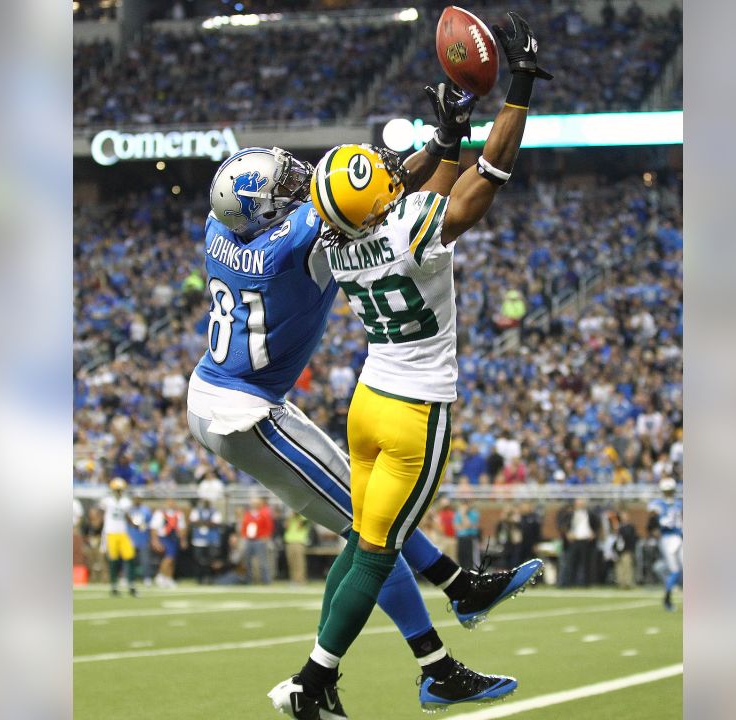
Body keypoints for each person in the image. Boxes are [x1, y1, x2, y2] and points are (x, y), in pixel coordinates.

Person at [188, 82, 541, 717]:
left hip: (223, 391)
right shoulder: (298, 240)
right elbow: (375, 194)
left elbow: (358, 197)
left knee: (371, 525)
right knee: (367, 532)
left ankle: (456, 601)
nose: (297, 184)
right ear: (273, 213)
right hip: (246, 409)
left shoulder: (222, 225)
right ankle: (351, 675)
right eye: (285, 189)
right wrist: (445, 140)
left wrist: (439, 142)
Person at [272, 16, 552, 717]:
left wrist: (450, 133)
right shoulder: (409, 228)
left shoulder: (339, 244)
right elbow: (485, 181)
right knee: (375, 554)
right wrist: (516, 90)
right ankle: (314, 679)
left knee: (362, 543)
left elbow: (416, 189)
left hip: (368, 403)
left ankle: (446, 618)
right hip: (414, 412)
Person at [98, 478, 141, 597]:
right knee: (113, 560)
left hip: (122, 532)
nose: (118, 492)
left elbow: (127, 515)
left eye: (120, 490)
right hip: (110, 532)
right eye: (117, 490)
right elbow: (99, 512)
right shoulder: (107, 501)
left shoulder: (125, 502)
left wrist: (134, 524)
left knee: (130, 556)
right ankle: (114, 587)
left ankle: (131, 585)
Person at [648, 476, 683, 610]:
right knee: (675, 570)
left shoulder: (678, 504)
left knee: (680, 569)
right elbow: (652, 517)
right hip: (667, 538)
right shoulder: (658, 504)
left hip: (678, 537)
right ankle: (667, 598)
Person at [150, 499, 187, 588]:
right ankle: (161, 575)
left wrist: (183, 540)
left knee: (172, 559)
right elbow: (154, 528)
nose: (171, 504)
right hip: (164, 537)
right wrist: (155, 541)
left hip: (174, 537)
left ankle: (168, 578)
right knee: (169, 557)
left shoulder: (179, 514)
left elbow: (182, 528)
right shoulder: (160, 513)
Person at [241, 498, 275, 584]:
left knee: (262, 561)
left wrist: (266, 536)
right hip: (249, 540)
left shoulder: (264, 513)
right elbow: (244, 525)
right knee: (247, 561)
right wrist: (244, 535)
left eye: (255, 503)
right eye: (252, 503)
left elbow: (269, 526)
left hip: (259, 539)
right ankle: (248, 580)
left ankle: (266, 580)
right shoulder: (248, 514)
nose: (253, 505)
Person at [189, 500, 223, 585]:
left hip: (211, 540)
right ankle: (199, 578)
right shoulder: (196, 510)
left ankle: (210, 578)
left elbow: (216, 523)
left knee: (211, 560)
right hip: (199, 540)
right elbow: (193, 522)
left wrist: (201, 522)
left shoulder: (215, 511)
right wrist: (207, 523)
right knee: (199, 560)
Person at [284, 511, 311, 585]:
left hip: (299, 542)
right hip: (289, 541)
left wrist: (296, 516)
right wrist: (289, 518)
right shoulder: (290, 518)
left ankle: (300, 580)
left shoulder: (304, 518)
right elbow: (286, 526)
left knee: (299, 562)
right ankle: (293, 579)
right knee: (291, 562)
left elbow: (300, 526)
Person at [615, 508, 639, 589]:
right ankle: (621, 582)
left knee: (627, 566)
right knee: (619, 567)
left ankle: (628, 583)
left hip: (627, 549)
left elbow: (632, 538)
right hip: (619, 550)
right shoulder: (618, 526)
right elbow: (617, 539)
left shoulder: (630, 527)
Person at [455, 502, 481, 568]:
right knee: (461, 557)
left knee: (471, 558)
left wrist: (463, 515)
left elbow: (468, 525)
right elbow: (457, 527)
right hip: (461, 538)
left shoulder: (474, 514)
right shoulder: (458, 514)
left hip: (470, 538)